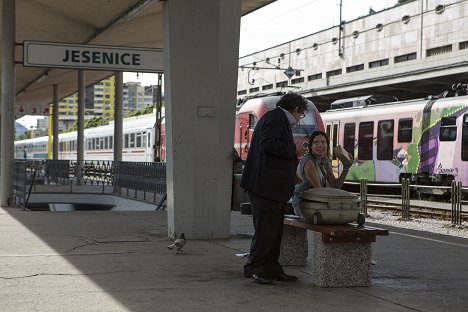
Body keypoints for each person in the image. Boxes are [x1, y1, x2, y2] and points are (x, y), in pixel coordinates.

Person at [240, 92, 308, 285]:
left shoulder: (276, 118)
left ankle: (271, 268)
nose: (299, 119)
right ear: (295, 109)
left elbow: (271, 154)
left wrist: (289, 172)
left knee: (274, 231)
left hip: (270, 186)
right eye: (300, 114)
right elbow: (268, 145)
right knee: (265, 230)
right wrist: (293, 150)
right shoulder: (275, 117)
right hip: (264, 186)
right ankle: (255, 267)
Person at [291, 130, 352, 216]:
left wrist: (346, 168)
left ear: (327, 145)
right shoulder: (308, 161)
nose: (320, 145)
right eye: (316, 142)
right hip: (303, 205)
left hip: (316, 203)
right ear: (311, 147)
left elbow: (335, 186)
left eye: (324, 142)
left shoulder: (325, 161)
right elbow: (318, 190)